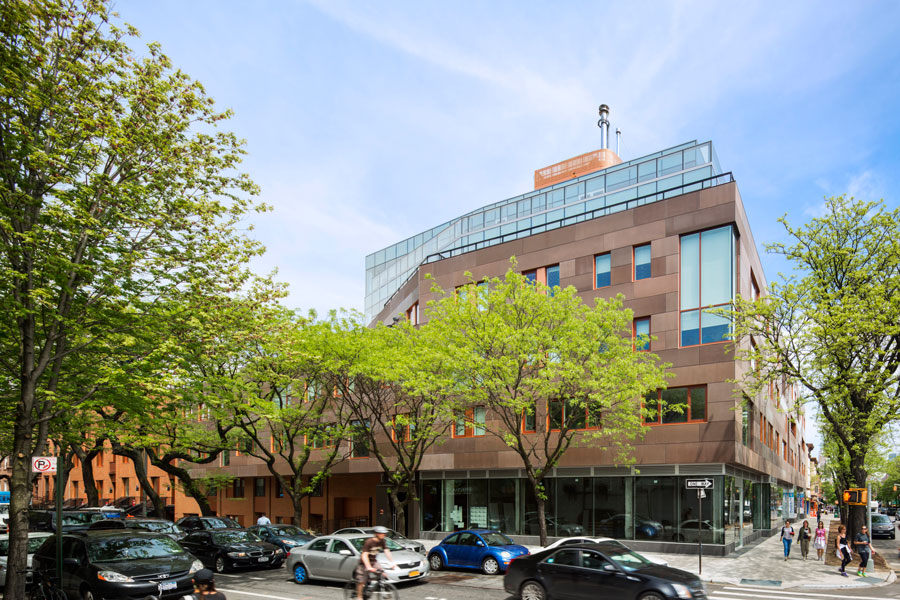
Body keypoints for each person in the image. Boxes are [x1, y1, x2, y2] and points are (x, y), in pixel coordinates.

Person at [354, 525, 398, 600]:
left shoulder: (382, 541)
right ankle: (359, 596)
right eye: (382, 533)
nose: (384, 534)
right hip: (364, 563)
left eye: (385, 533)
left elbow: (386, 551)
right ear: (377, 533)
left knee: (383, 574)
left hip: (374, 561)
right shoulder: (369, 542)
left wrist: (392, 563)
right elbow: (364, 555)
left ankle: (373, 586)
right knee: (362, 581)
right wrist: (368, 567)